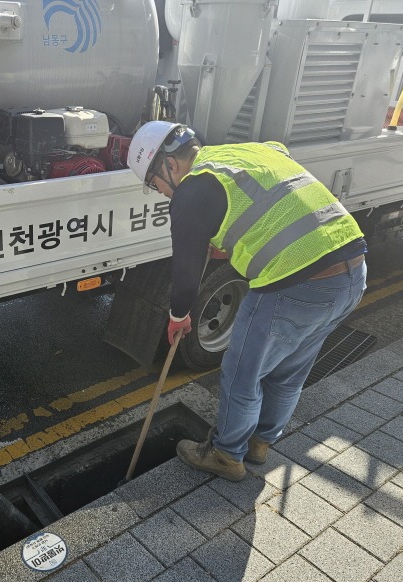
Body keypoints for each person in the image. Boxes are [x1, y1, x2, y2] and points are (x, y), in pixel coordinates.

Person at [127, 121, 367, 482]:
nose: (160, 192)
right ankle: (259, 444)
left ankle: (226, 455)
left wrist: (179, 317)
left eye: (153, 184)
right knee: (288, 373)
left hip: (294, 283)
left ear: (169, 165)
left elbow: (186, 273)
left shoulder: (191, 193)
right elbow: (271, 190)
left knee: (242, 374)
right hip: (351, 273)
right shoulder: (248, 151)